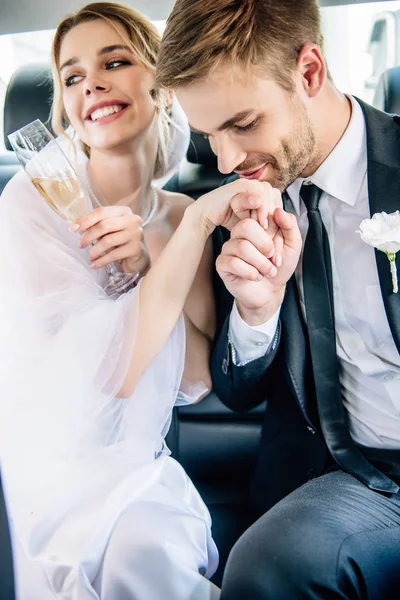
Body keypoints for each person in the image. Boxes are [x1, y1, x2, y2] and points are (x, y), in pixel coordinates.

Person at [0, 3, 270, 599]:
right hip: (53, 473)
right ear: (66, 108)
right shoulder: (30, 206)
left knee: (149, 550)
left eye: (113, 62)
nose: (90, 83)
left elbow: (196, 379)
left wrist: (151, 260)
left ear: (163, 85)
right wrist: (186, 239)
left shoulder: (180, 218)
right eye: (72, 77)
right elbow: (114, 373)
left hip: (136, 470)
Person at [155, 0, 400, 598]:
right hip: (353, 482)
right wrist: (256, 313)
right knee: (266, 565)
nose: (227, 160)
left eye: (242, 124)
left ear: (309, 72)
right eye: (208, 135)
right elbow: (235, 391)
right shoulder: (234, 208)